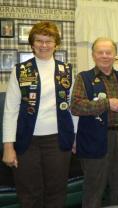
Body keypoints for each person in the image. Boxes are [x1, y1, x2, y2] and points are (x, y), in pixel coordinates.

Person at [2, 21, 75, 207]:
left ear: (55, 44)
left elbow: (72, 108)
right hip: (27, 141)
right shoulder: (20, 71)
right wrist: (8, 147)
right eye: (39, 40)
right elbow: (10, 110)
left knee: (57, 191)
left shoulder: (66, 71)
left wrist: (74, 137)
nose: (44, 45)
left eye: (48, 41)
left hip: (58, 141)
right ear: (32, 43)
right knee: (29, 192)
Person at [70, 37, 118, 208]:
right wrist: (106, 104)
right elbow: (75, 106)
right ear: (93, 55)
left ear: (115, 55)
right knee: (93, 191)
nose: (105, 56)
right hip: (95, 140)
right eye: (100, 52)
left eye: (109, 52)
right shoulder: (84, 78)